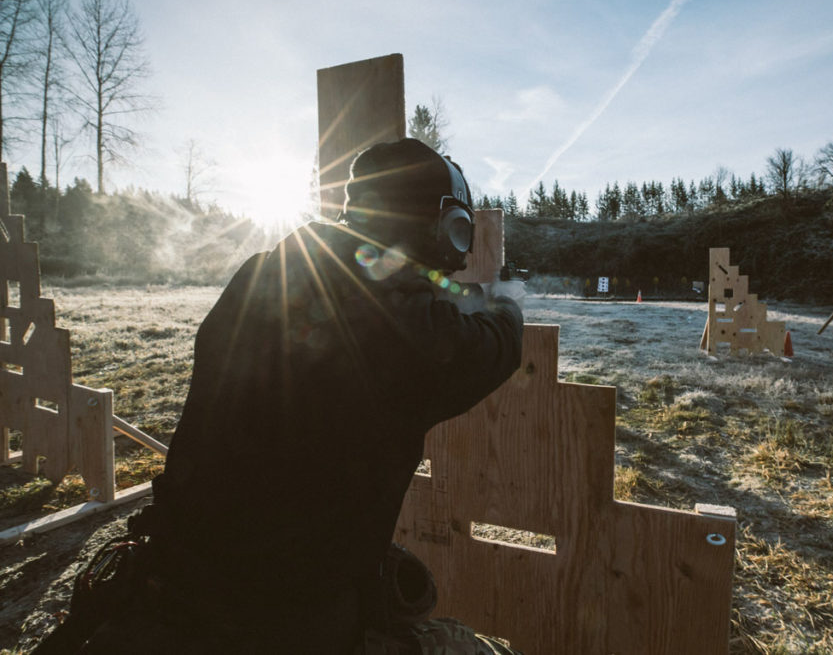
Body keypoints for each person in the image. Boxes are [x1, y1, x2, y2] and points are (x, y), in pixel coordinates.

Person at [45, 138, 525, 654]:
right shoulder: (400, 332)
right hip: (275, 618)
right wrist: (504, 308)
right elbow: (488, 348)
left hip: (175, 579)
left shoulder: (263, 273)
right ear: (444, 227)